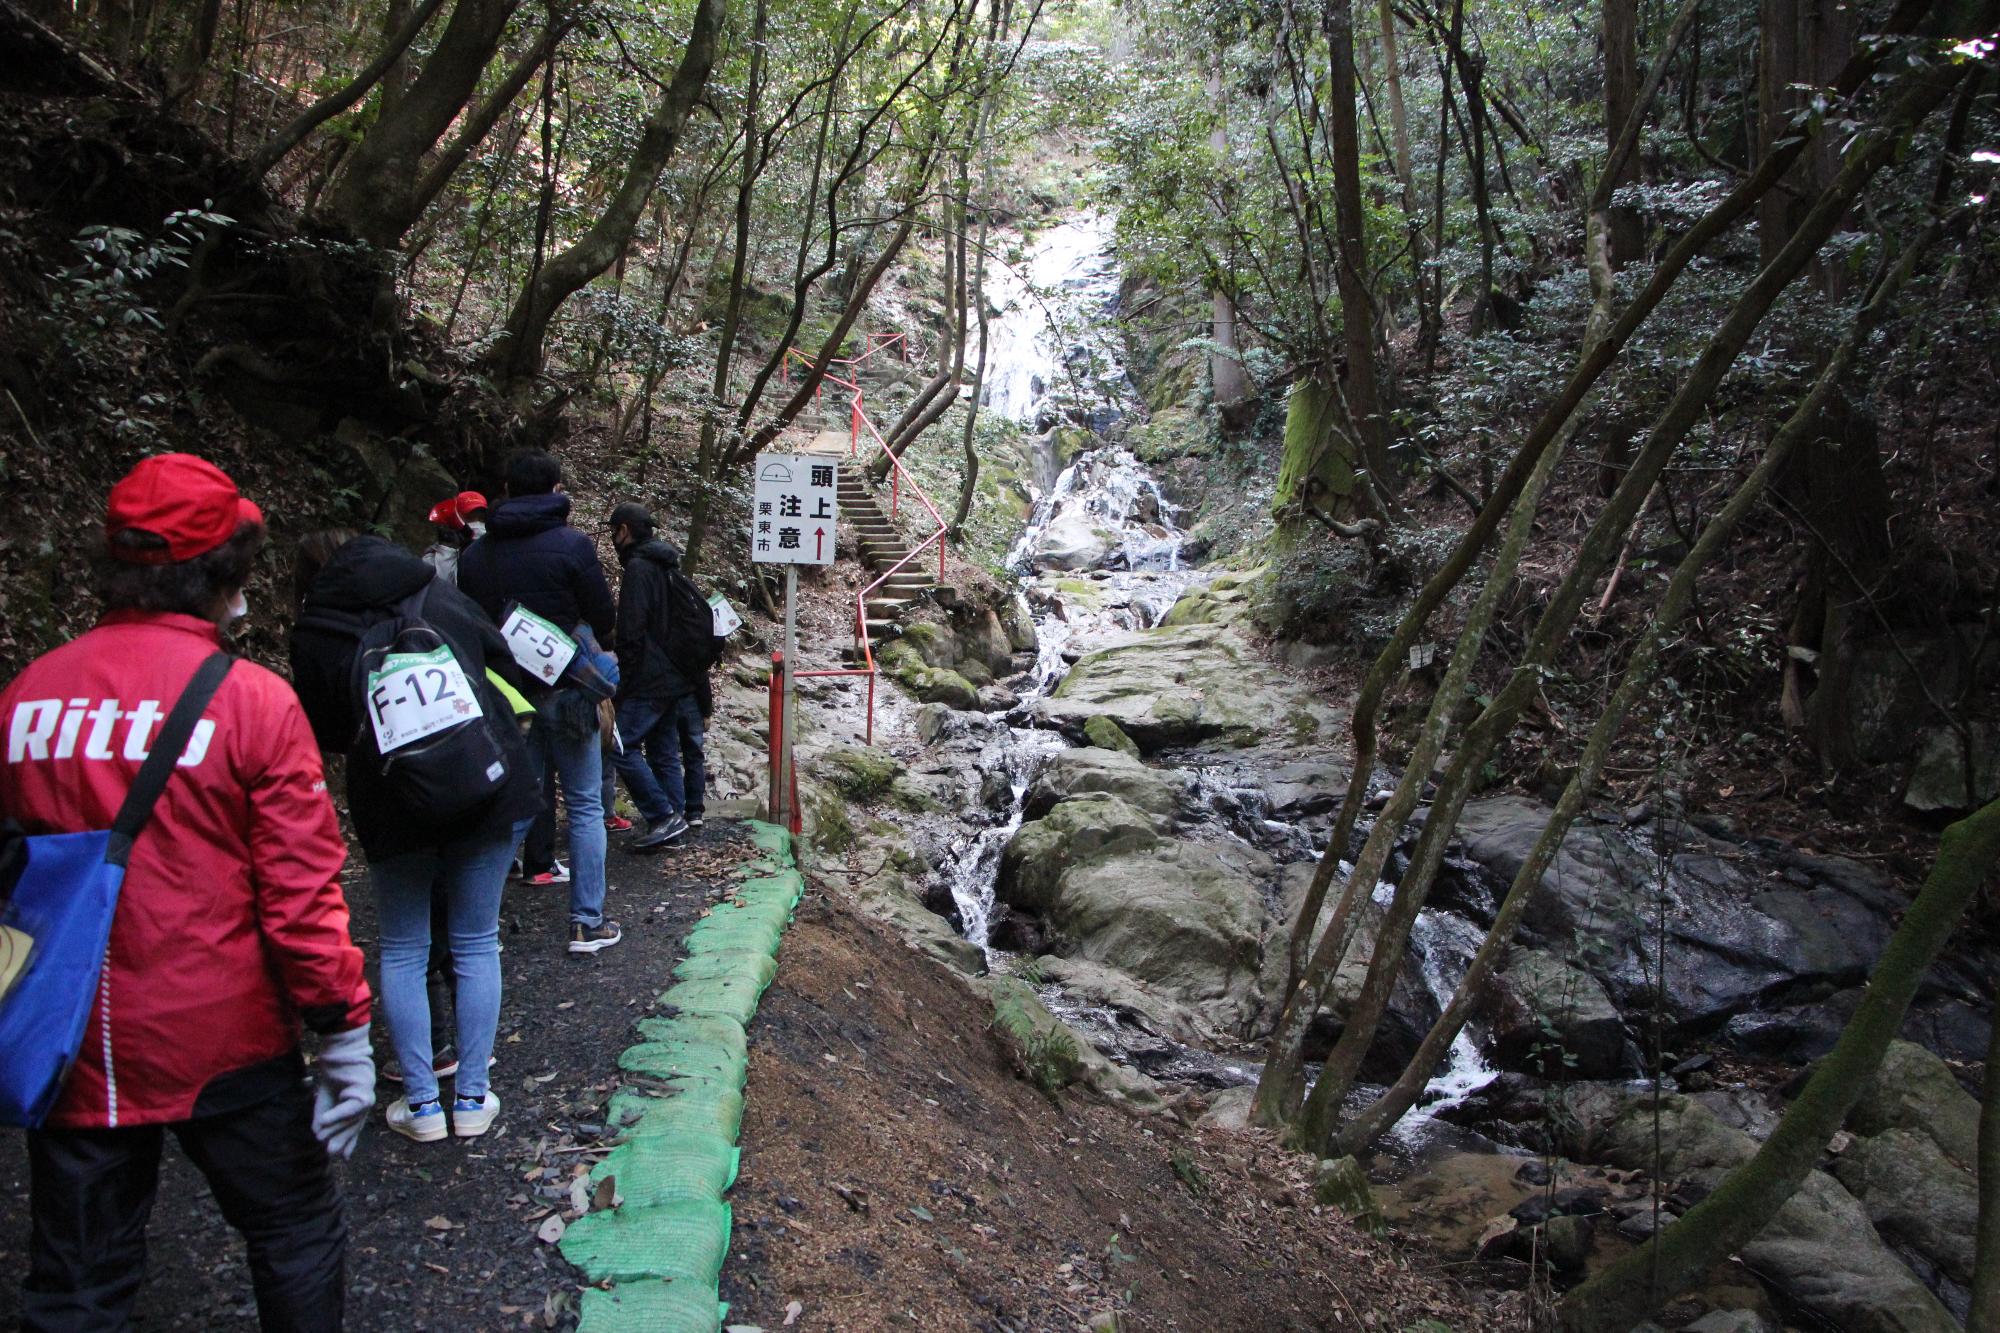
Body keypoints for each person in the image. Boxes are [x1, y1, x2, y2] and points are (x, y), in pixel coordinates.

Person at [0, 454, 372, 1331]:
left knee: (77, 1282)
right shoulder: (252, 704)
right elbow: (299, 896)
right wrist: (342, 1025)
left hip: (69, 1034)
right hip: (222, 1034)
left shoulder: (25, 697)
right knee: (292, 1228)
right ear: (226, 574)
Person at [290, 531, 543, 1142]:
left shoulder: (318, 629)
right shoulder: (436, 593)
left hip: (392, 799)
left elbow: (325, 730)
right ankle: (475, 1099)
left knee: (403, 947)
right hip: (484, 783)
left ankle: (424, 1106)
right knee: (476, 940)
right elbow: (502, 662)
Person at [457, 449, 622, 954]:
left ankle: (475, 921)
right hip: (571, 692)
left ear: (505, 490)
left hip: (509, 697)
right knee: (586, 805)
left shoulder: (476, 555)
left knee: (518, 805)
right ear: (554, 489)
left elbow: (472, 623)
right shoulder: (572, 545)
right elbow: (602, 614)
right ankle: (585, 923)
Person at [608, 502, 710, 851]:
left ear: (624, 530)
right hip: (674, 675)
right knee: (664, 751)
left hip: (650, 678)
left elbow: (632, 629)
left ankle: (662, 815)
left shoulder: (639, 568)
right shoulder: (665, 565)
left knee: (619, 744)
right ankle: (674, 822)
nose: (612, 539)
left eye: (613, 532)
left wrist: (626, 680)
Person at [421, 490, 488, 586]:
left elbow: (441, 581)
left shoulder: (453, 544)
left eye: (480, 517)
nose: (477, 524)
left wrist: (446, 548)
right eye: (470, 517)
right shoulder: (494, 542)